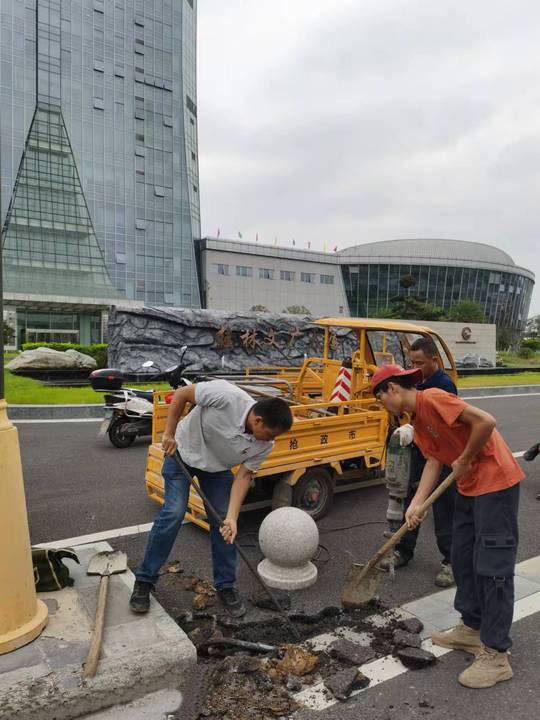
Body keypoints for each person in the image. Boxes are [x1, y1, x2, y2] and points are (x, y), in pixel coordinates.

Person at [371, 364, 523, 689]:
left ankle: (497, 655)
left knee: (493, 568)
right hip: (468, 487)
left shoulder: (433, 398)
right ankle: (472, 627)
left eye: (380, 398)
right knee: (461, 557)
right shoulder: (417, 422)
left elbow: (486, 422)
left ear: (392, 389)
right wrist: (417, 503)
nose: (382, 405)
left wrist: (465, 458)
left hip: (496, 483)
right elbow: (434, 460)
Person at [129, 379, 293, 618]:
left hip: (217, 470)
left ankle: (226, 586)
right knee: (173, 513)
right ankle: (144, 581)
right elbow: (182, 394)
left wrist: (232, 518)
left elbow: (244, 476)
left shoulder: (266, 445)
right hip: (182, 453)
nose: (269, 441)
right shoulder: (226, 396)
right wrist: (169, 433)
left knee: (225, 525)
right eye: (268, 435)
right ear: (258, 420)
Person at [380, 337, 457, 587]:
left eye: (420, 363)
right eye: (412, 362)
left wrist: (413, 429)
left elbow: (444, 427)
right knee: (411, 501)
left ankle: (451, 561)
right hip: (419, 452)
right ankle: (404, 550)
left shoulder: (443, 386)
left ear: (434, 360)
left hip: (443, 455)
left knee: (443, 508)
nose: (415, 367)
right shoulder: (414, 381)